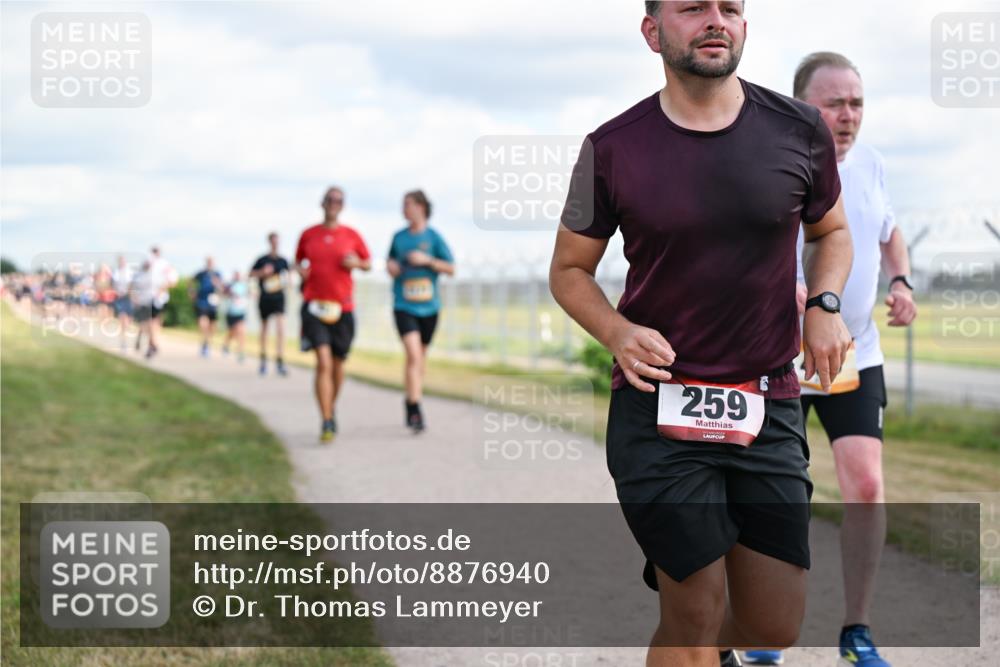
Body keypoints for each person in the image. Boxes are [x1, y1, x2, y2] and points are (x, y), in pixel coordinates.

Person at [549, 3, 854, 666]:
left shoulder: (800, 129)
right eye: (693, 8)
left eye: (732, 8)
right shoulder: (610, 147)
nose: (717, 20)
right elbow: (569, 270)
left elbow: (831, 231)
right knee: (693, 608)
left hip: (767, 401)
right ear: (653, 31)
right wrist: (618, 331)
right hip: (657, 405)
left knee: (772, 624)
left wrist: (824, 304)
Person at [744, 52, 917, 667]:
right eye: (834, 103)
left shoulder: (870, 164)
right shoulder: (773, 165)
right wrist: (788, 290)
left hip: (854, 356)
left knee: (867, 486)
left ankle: (856, 632)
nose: (848, 117)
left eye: (857, 103)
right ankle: (765, 630)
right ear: (800, 107)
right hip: (779, 359)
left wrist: (903, 282)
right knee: (777, 496)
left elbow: (888, 230)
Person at [295, 186, 372, 442]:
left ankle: (330, 406)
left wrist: (357, 264)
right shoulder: (308, 235)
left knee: (338, 365)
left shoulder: (351, 235)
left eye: (338, 200)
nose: (333, 204)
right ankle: (326, 420)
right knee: (323, 362)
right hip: (314, 305)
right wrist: (301, 271)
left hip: (343, 308)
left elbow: (368, 263)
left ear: (343, 205)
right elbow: (298, 261)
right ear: (322, 203)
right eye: (330, 199)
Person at [386, 190, 455, 432]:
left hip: (430, 308)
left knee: (419, 359)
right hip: (404, 306)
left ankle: (410, 397)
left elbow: (451, 268)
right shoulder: (398, 238)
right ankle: (415, 409)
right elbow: (390, 263)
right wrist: (392, 267)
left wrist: (427, 261)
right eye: (402, 205)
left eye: (407, 205)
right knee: (414, 356)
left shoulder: (434, 237)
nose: (403, 209)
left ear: (421, 207)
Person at [250, 232, 290, 376]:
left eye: (277, 241)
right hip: (265, 298)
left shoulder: (283, 261)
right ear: (269, 242)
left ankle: (279, 360)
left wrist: (287, 282)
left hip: (279, 298)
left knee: (280, 328)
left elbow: (289, 277)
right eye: (273, 241)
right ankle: (263, 359)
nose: (275, 243)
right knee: (264, 328)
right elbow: (251, 274)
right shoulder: (262, 259)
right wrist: (262, 272)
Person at [147, 246, 177, 358]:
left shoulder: (165, 265)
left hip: (159, 299)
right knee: (153, 322)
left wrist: (161, 290)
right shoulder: (148, 264)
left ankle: (153, 344)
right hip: (149, 297)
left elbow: (173, 281)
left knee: (154, 322)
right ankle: (153, 343)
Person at [190, 257, 223, 357]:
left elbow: (222, 288)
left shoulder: (217, 274)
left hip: (212, 303)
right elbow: (191, 281)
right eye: (208, 262)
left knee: (213, 326)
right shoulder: (201, 273)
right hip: (202, 301)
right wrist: (192, 292)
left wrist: (217, 284)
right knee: (202, 322)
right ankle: (204, 342)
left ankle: (207, 343)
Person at [222, 269, 249, 363]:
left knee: (241, 331)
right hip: (231, 312)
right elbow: (223, 293)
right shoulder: (230, 285)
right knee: (232, 332)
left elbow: (250, 294)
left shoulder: (244, 286)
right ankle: (226, 345)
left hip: (241, 312)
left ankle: (240, 351)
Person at [111, 255, 135, 351]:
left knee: (129, 320)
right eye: (120, 261)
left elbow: (132, 285)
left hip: (129, 298)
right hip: (120, 298)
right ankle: (123, 342)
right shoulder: (116, 273)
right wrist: (117, 292)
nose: (122, 263)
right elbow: (113, 284)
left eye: (123, 261)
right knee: (122, 319)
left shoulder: (129, 272)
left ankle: (129, 337)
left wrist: (131, 294)